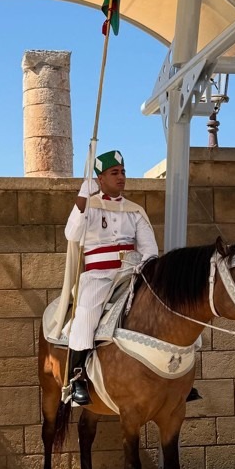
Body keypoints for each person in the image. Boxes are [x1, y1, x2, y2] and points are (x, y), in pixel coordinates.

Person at [64, 150, 158, 404]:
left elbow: (150, 249)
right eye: (114, 173)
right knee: (87, 313)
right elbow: (72, 234)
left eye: (123, 172)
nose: (121, 177)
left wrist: (143, 270)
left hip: (131, 273)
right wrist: (83, 195)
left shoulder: (134, 211)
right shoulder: (89, 208)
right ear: (100, 178)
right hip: (98, 276)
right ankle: (77, 378)